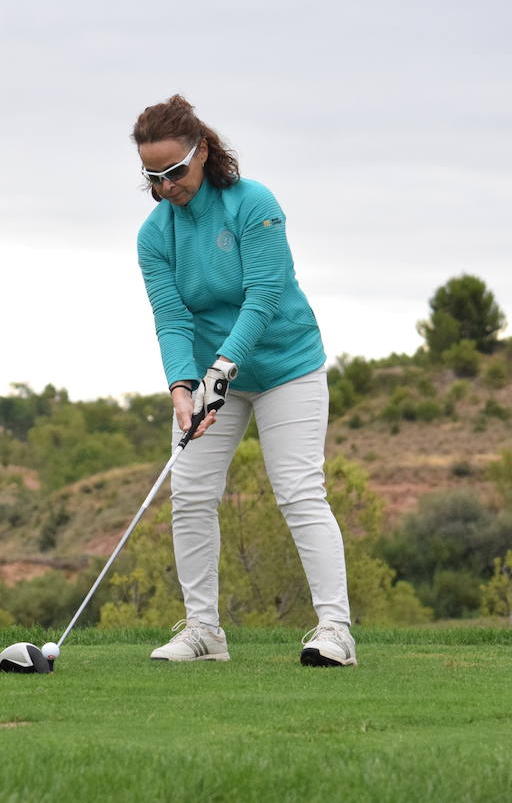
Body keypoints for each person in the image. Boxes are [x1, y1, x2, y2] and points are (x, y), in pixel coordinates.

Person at [133, 95, 356, 667]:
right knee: (190, 495)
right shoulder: (154, 236)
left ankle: (335, 631)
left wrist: (221, 371)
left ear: (202, 151)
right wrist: (182, 390)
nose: (167, 186)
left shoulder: (252, 203)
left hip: (287, 366)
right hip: (209, 378)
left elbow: (264, 297)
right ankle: (204, 632)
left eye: (176, 171)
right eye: (153, 177)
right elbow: (171, 317)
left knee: (299, 492)